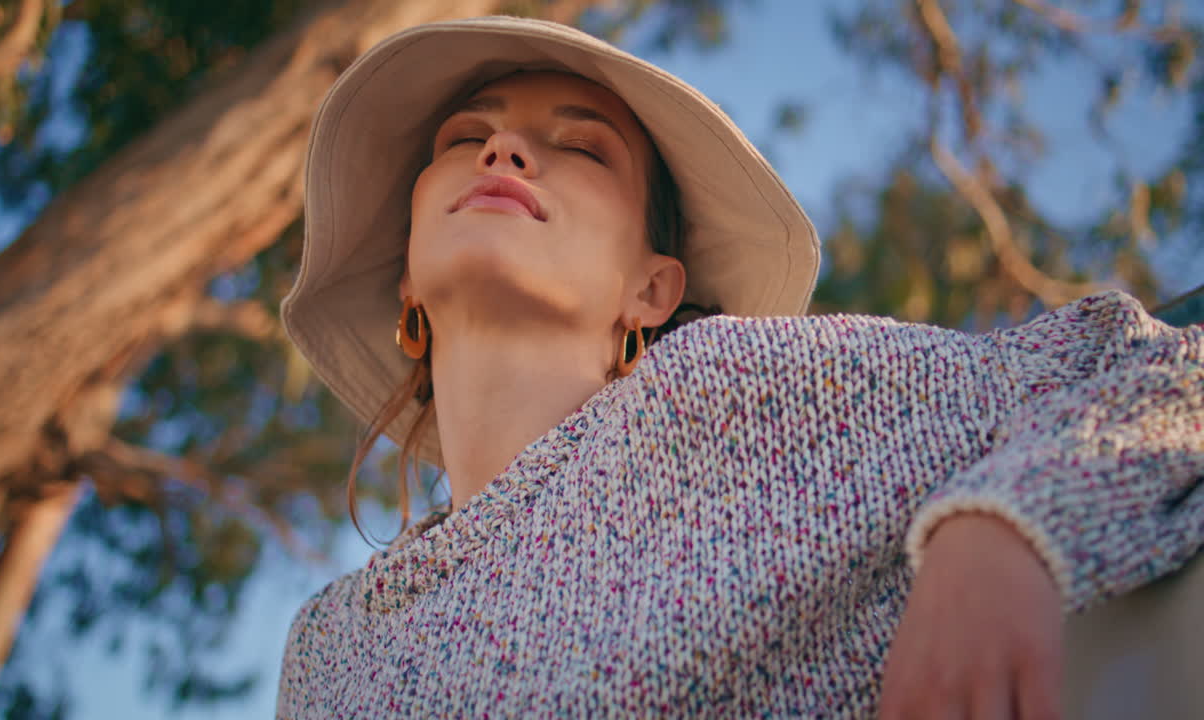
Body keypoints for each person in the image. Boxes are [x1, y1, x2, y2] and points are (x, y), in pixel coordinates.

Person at [276, 16, 1203, 719]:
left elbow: (1144, 364)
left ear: (651, 290)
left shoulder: (726, 396)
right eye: (462, 137)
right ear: (407, 279)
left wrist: (999, 531)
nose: (501, 149)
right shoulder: (327, 650)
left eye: (582, 146)